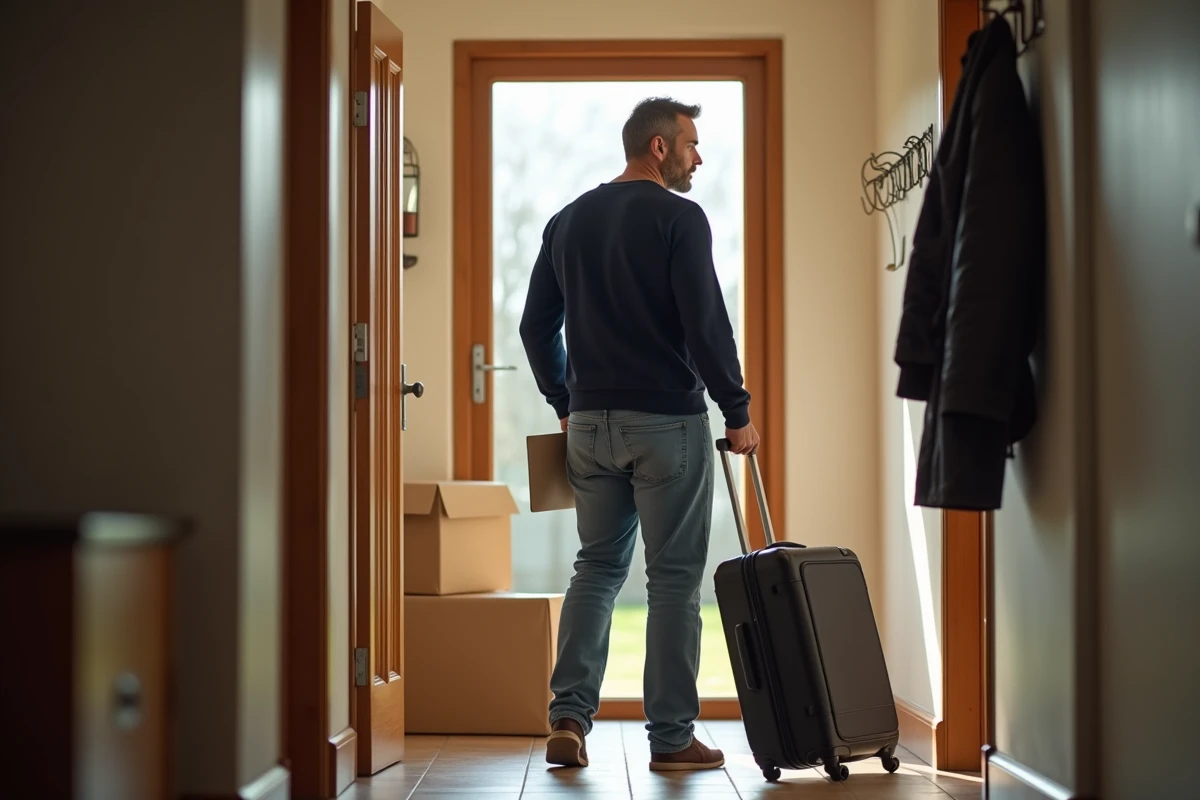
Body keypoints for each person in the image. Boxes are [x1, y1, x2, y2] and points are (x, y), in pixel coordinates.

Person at [519, 96, 759, 772]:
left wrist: (564, 400)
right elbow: (705, 323)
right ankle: (672, 738)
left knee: (595, 568)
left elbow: (536, 326)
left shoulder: (567, 221)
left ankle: (568, 717)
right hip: (666, 425)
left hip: (590, 426)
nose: (698, 157)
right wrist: (736, 411)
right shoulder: (679, 218)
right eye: (691, 144)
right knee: (675, 581)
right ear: (659, 148)